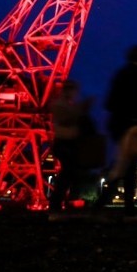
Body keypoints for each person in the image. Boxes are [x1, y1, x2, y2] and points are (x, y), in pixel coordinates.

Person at [95, 45, 137, 213]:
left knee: (126, 166)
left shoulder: (123, 74)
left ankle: (110, 206)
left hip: (120, 125)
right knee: (126, 166)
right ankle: (109, 207)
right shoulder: (135, 75)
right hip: (129, 126)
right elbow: (135, 100)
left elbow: (111, 101)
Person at [49, 79, 92, 212]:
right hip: (64, 142)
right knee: (68, 174)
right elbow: (67, 118)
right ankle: (57, 204)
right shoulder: (61, 105)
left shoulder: (64, 104)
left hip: (67, 143)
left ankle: (60, 203)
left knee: (69, 173)